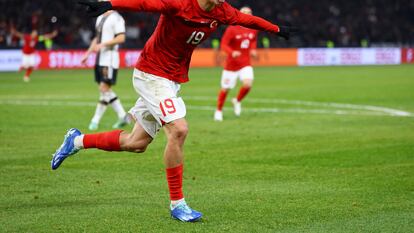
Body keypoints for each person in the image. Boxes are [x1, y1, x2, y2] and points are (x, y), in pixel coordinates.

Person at [52, 0, 297, 222]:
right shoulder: (179, 3)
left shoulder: (222, 10)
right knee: (179, 129)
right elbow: (144, 3)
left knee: (136, 143)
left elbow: (248, 20)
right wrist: (110, 3)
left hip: (171, 80)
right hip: (152, 74)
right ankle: (178, 204)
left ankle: (76, 140)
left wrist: (277, 29)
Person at [80, 4, 129, 131]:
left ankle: (95, 120)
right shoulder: (100, 17)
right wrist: (87, 53)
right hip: (100, 58)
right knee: (104, 90)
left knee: (104, 88)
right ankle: (123, 117)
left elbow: (121, 37)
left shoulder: (117, 18)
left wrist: (103, 45)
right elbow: (97, 38)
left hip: (110, 58)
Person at [214, 6, 258, 121]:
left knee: (248, 84)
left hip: (245, 63)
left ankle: (237, 100)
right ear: (239, 14)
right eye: (244, 12)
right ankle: (219, 110)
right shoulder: (232, 29)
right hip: (231, 65)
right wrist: (232, 52)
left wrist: (253, 49)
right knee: (225, 89)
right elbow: (223, 44)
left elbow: (253, 40)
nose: (247, 14)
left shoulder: (253, 28)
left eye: (249, 12)